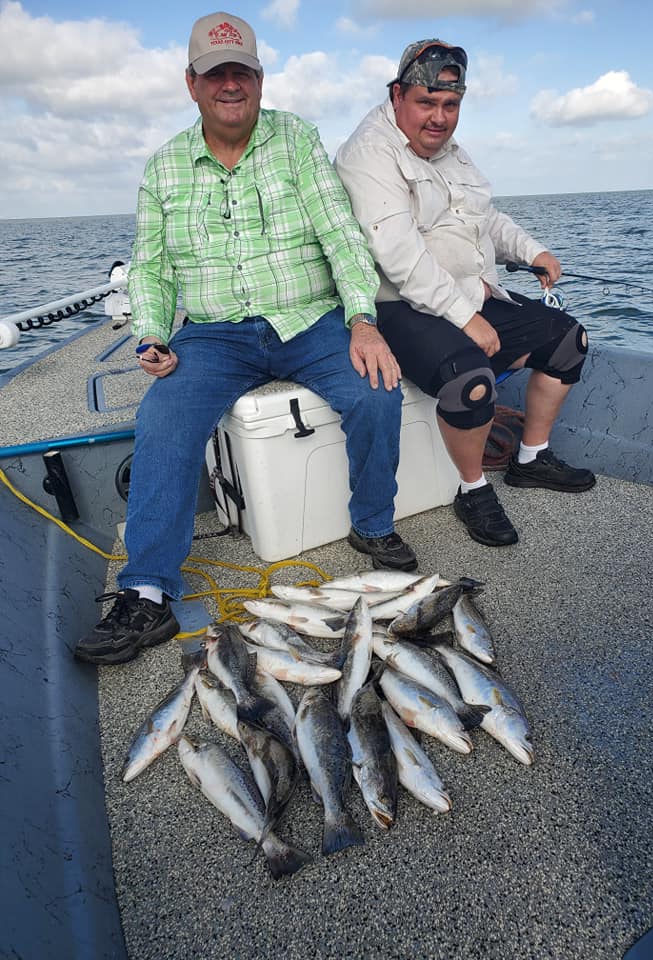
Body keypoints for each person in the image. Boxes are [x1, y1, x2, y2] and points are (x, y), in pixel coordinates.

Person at [74, 12, 417, 667]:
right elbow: (152, 267)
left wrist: (362, 319)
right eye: (215, 74)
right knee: (163, 418)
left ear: (259, 79)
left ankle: (373, 524)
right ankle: (147, 593)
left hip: (308, 320)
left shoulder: (298, 139)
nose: (229, 84)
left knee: (377, 390)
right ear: (192, 83)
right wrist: (152, 335)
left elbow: (340, 234)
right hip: (214, 334)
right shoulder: (164, 167)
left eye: (241, 72)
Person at [335, 40, 596, 549]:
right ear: (397, 95)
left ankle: (530, 459)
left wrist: (533, 251)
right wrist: (465, 317)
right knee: (470, 381)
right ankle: (472, 489)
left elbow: (484, 217)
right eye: (426, 102)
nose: (439, 117)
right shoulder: (368, 153)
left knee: (569, 340)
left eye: (450, 105)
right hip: (397, 305)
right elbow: (399, 256)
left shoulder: (450, 151)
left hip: (468, 292)